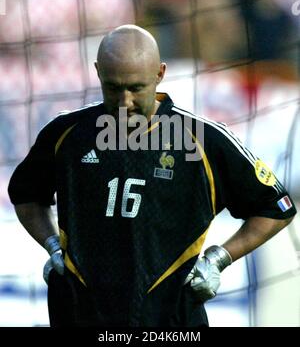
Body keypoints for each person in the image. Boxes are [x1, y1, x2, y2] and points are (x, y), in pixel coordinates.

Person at [8, 24, 297, 327]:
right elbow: (27, 195)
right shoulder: (66, 134)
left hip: (170, 319)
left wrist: (218, 258)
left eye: (135, 88)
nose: (125, 103)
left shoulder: (200, 140)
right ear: (97, 72)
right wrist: (52, 244)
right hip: (80, 313)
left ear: (159, 74)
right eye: (113, 87)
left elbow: (277, 207)